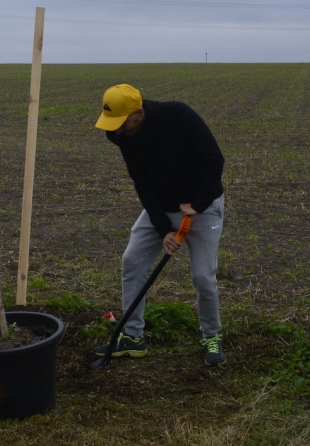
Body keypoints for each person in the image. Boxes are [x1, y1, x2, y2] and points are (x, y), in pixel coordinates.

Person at [93, 83, 227, 366]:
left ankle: (211, 336)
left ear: (138, 112)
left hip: (202, 207)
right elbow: (143, 185)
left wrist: (198, 204)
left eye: (121, 123)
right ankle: (132, 336)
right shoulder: (124, 138)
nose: (117, 131)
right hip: (163, 207)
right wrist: (164, 228)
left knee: (203, 276)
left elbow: (213, 161)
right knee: (132, 261)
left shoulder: (178, 116)